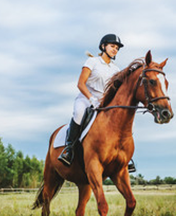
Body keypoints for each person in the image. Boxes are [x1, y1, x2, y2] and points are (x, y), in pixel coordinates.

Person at [58, 34, 136, 170]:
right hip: (86, 98)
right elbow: (80, 84)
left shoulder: (116, 69)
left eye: (117, 48)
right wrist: (91, 99)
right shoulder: (92, 62)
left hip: (105, 102)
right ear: (103, 46)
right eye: (112, 46)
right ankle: (69, 149)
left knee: (123, 121)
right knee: (79, 113)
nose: (115, 50)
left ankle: (125, 156)